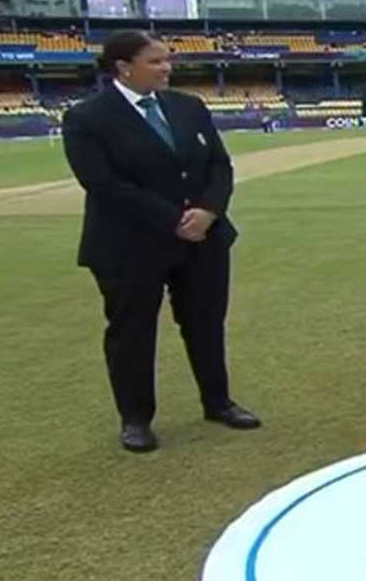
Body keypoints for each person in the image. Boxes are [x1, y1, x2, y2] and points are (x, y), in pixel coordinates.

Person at [61, 31, 260, 453]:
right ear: (123, 67)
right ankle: (136, 419)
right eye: (155, 61)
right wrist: (174, 221)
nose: (166, 68)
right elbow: (102, 183)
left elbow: (219, 165)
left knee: (206, 323)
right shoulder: (87, 118)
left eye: (167, 59)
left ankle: (218, 402)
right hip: (129, 245)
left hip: (203, 239)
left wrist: (208, 212)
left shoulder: (188, 107)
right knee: (132, 332)